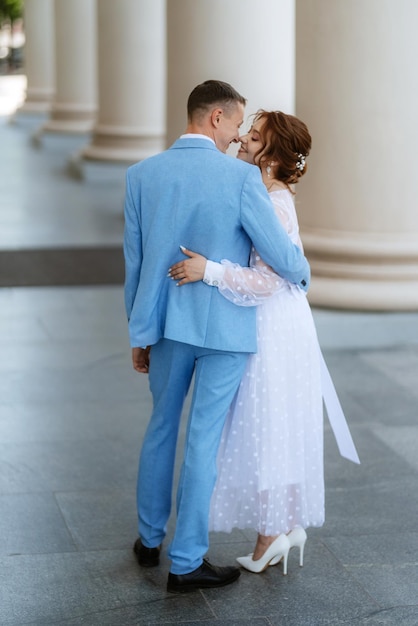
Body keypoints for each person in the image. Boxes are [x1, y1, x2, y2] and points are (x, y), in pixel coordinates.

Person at [123, 81, 311, 594]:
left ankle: (147, 539)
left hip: (164, 328)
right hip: (226, 331)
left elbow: (135, 267)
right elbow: (282, 256)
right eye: (236, 124)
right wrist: (303, 273)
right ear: (216, 117)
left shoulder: (141, 176)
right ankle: (185, 562)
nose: (237, 137)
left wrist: (140, 334)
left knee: (161, 427)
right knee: (202, 440)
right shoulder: (239, 179)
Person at [167, 109, 324, 575]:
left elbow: (270, 279)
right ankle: (281, 527)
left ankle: (271, 535)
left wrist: (208, 270)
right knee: (273, 422)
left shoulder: (272, 200)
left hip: (271, 322)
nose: (243, 140)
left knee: (268, 424)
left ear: (272, 154)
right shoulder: (264, 189)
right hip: (271, 320)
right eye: (247, 132)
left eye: (254, 137)